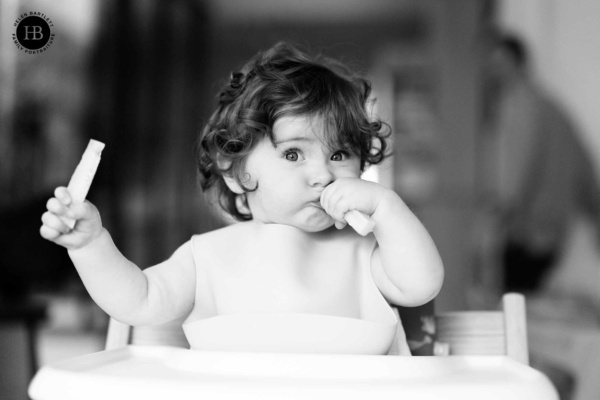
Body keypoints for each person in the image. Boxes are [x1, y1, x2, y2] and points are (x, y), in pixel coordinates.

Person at [40, 42, 444, 355]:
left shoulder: (368, 252)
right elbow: (141, 302)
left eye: (339, 155)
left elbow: (421, 286)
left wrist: (386, 207)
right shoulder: (207, 257)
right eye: (292, 154)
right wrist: (92, 245)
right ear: (235, 170)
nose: (322, 174)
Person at [478, 34, 600, 294]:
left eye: (499, 63)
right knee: (526, 304)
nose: (493, 72)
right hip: (549, 234)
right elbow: (584, 166)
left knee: (513, 308)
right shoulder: (552, 107)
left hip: (526, 232)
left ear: (518, 64)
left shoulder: (520, 105)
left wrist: (496, 222)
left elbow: (514, 178)